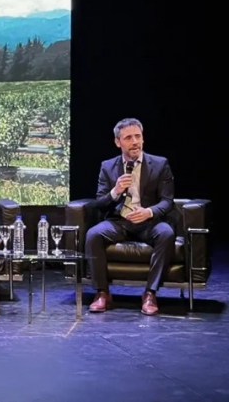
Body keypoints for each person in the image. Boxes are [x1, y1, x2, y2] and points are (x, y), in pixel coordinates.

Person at [85, 118, 175, 316]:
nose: (135, 142)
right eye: (128, 138)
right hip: (119, 221)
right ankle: (102, 293)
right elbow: (100, 203)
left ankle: (150, 293)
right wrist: (115, 191)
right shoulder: (108, 167)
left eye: (138, 136)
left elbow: (168, 201)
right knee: (93, 235)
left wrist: (148, 212)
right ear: (118, 142)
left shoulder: (160, 165)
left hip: (149, 222)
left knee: (166, 233)